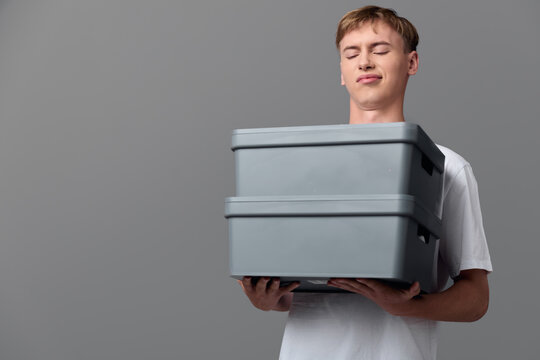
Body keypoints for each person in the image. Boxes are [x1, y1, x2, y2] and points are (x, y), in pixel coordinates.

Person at [238, 5, 492, 359]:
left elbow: (476, 299)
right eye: (351, 53)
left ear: (411, 63)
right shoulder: (301, 163)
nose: (365, 62)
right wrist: (270, 298)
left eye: (381, 50)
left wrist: (407, 307)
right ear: (342, 72)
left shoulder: (447, 167)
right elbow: (307, 282)